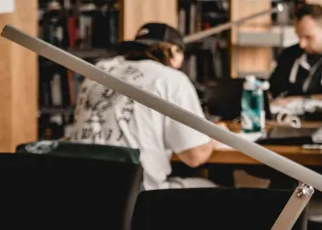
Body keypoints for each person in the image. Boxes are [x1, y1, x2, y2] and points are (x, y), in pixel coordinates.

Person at [67, 23, 218, 190]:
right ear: (174, 51)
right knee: (217, 191)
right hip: (136, 195)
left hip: (82, 187)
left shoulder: (99, 68)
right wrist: (215, 135)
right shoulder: (170, 78)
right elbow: (194, 156)